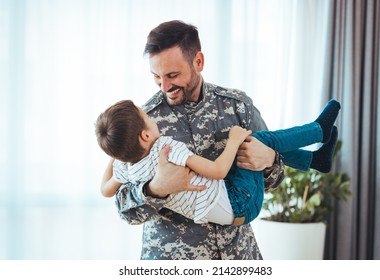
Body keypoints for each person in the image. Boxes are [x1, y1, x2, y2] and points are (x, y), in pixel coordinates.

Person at [102, 20, 285, 260]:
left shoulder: (238, 106)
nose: (165, 86)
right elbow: (125, 211)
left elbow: (276, 180)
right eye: (156, 76)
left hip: (238, 256)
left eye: (172, 75)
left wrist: (270, 161)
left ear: (198, 61)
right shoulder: (143, 124)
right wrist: (155, 189)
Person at [96, 99, 340, 226]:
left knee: (260, 145)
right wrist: (233, 141)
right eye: (145, 116)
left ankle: (315, 158)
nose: (150, 115)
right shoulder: (166, 149)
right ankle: (318, 131)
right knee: (259, 138)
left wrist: (117, 150)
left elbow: (105, 190)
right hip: (239, 204)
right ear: (145, 135)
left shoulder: (126, 167)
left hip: (230, 207)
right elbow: (219, 171)